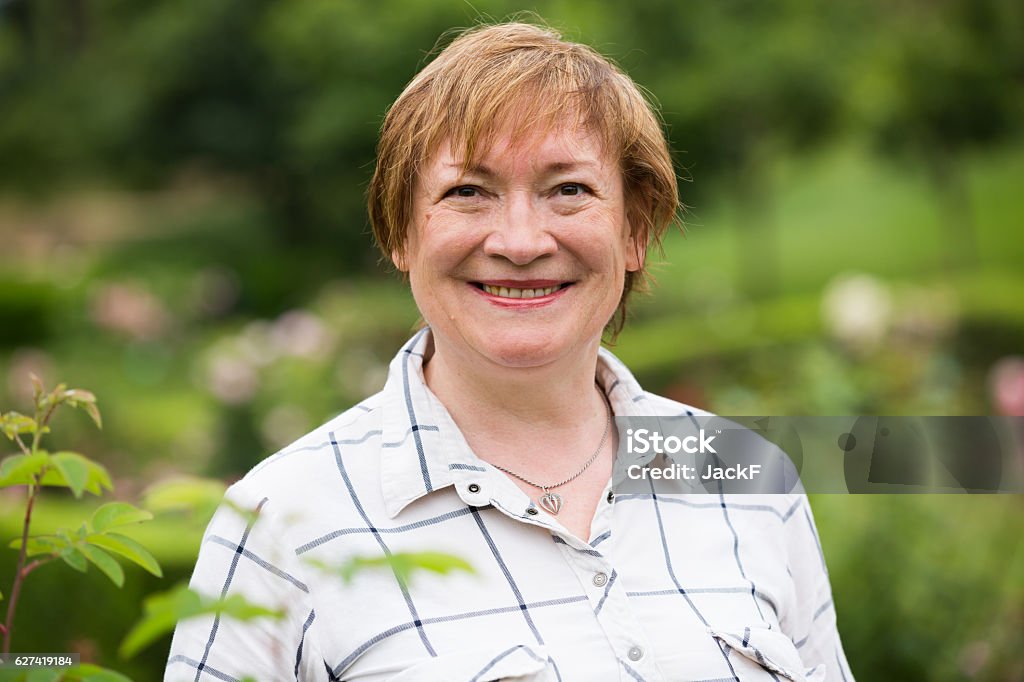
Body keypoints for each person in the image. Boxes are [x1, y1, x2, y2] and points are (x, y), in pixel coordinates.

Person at [165, 21, 854, 681]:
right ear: (400, 232)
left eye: (569, 190)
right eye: (468, 191)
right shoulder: (281, 522)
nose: (521, 242)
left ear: (634, 230)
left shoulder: (751, 477)